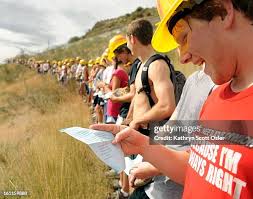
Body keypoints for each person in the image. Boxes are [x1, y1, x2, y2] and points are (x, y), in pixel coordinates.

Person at [91, 0, 253, 198]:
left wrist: (142, 127)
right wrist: (144, 146)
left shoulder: (162, 68)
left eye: (184, 37)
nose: (182, 57)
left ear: (223, 11)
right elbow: (203, 170)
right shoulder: (215, 96)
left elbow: (168, 109)